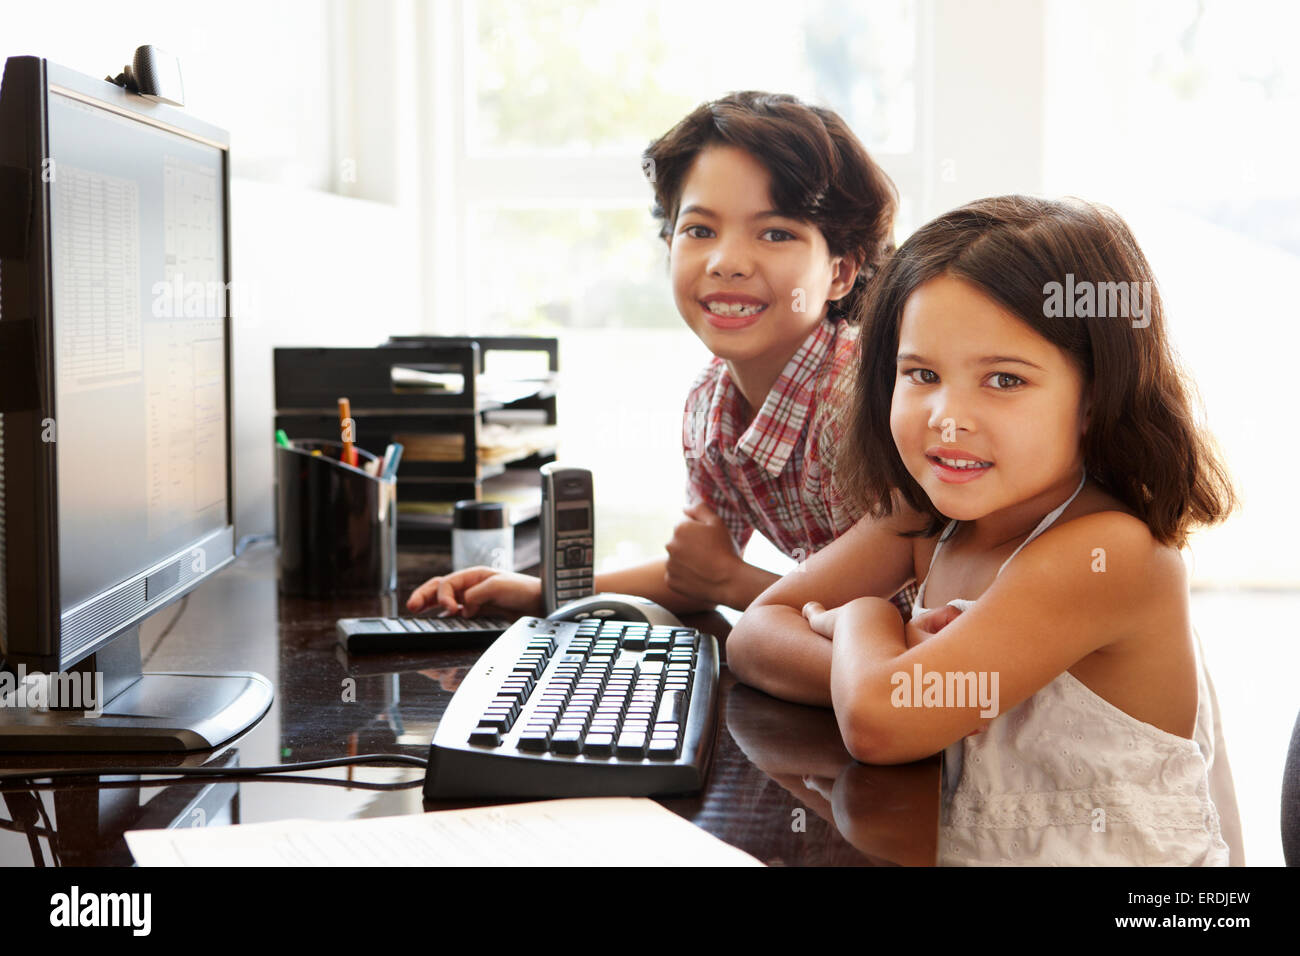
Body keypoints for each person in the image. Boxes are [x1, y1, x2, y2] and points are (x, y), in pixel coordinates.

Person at [728, 195, 1242, 865]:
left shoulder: (1106, 555)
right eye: (921, 374)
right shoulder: (925, 518)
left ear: (1096, 399)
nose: (948, 416)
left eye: (1004, 379)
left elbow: (880, 722)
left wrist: (864, 625)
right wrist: (888, 672)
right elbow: (756, 636)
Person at [407, 91, 918, 619]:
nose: (727, 261)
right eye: (700, 230)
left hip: (945, 672)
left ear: (840, 272)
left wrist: (731, 580)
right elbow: (697, 573)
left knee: (755, 651)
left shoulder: (859, 396)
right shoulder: (709, 405)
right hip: (858, 658)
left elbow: (906, 617)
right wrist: (539, 592)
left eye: (775, 233)